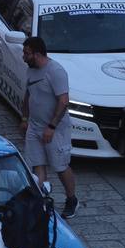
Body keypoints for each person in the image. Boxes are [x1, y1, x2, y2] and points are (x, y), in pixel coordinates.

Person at [20, 36, 77, 218]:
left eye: (26, 53)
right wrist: (24, 117)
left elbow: (63, 101)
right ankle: (41, 201)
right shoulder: (31, 70)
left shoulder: (56, 71)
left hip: (55, 130)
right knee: (37, 164)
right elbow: (28, 95)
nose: (23, 56)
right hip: (35, 127)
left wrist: (51, 127)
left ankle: (71, 199)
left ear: (37, 54)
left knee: (60, 166)